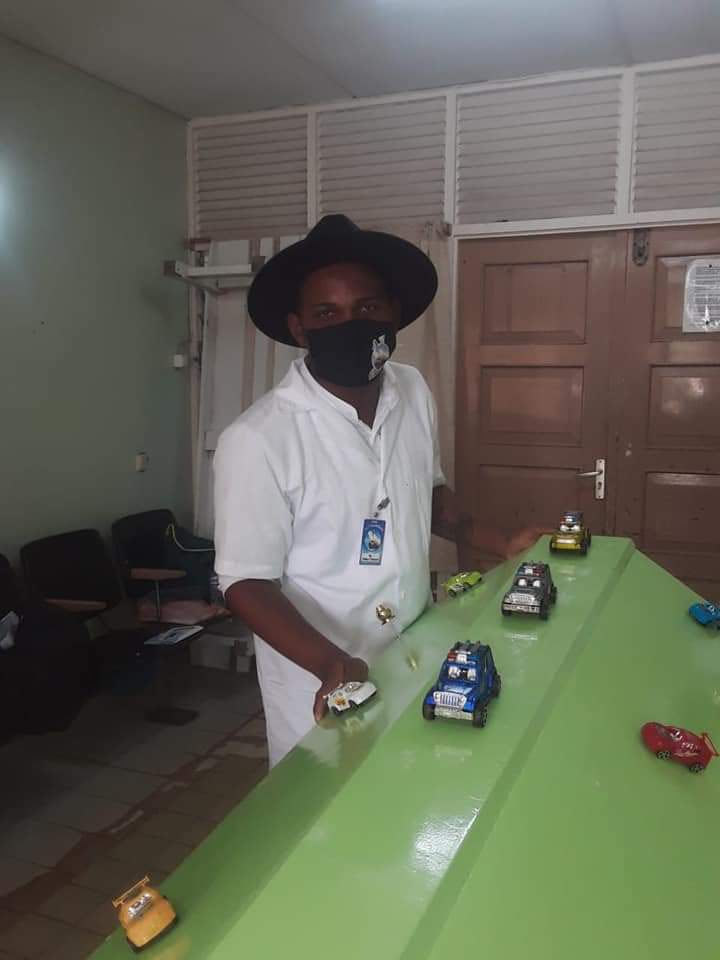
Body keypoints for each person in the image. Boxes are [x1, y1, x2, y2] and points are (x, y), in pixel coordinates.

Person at [214, 215, 539, 766]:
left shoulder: (411, 390)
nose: (351, 324)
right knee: (328, 802)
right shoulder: (259, 439)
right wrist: (331, 663)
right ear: (299, 328)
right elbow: (246, 582)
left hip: (417, 651)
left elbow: (427, 495)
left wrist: (500, 541)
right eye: (327, 313)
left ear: (393, 314)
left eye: (367, 308)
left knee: (413, 779)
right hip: (325, 681)